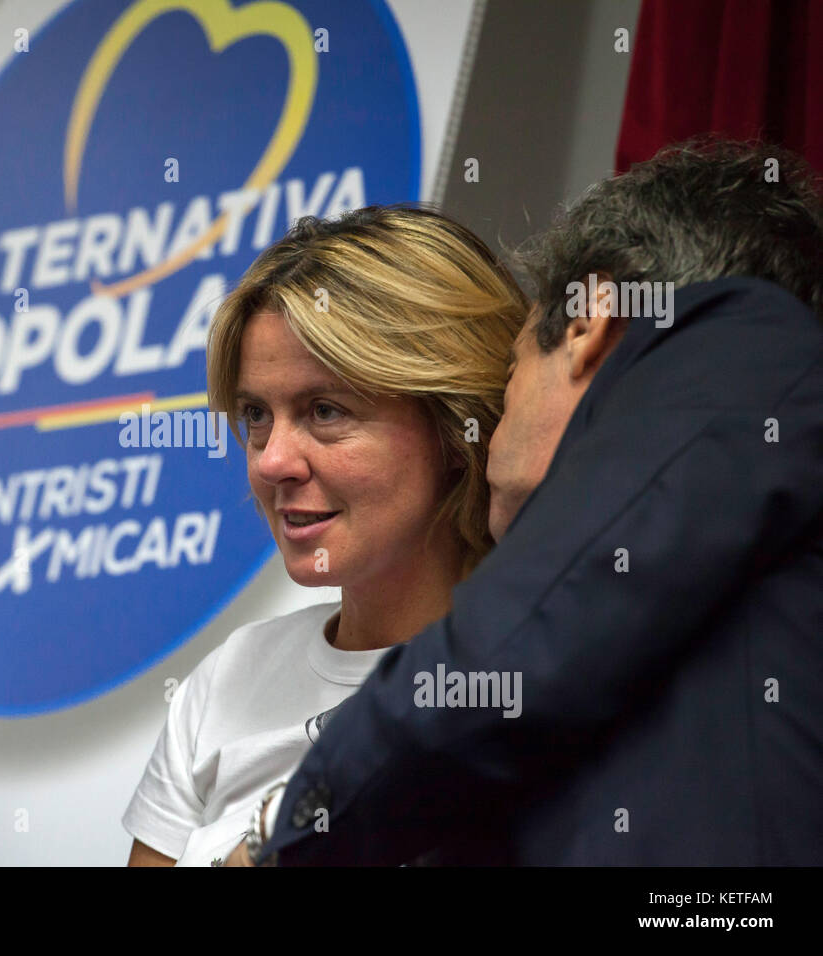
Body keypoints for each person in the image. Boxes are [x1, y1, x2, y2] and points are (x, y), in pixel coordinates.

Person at [233, 138, 823, 865]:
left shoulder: (741, 337)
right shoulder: (668, 612)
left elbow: (500, 662)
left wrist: (273, 836)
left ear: (585, 327)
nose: (493, 425)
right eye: (253, 416)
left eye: (511, 372)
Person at [123, 205, 527, 865]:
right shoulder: (230, 676)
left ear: (457, 428)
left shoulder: (524, 685)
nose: (270, 460)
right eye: (256, 414)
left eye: (325, 410)